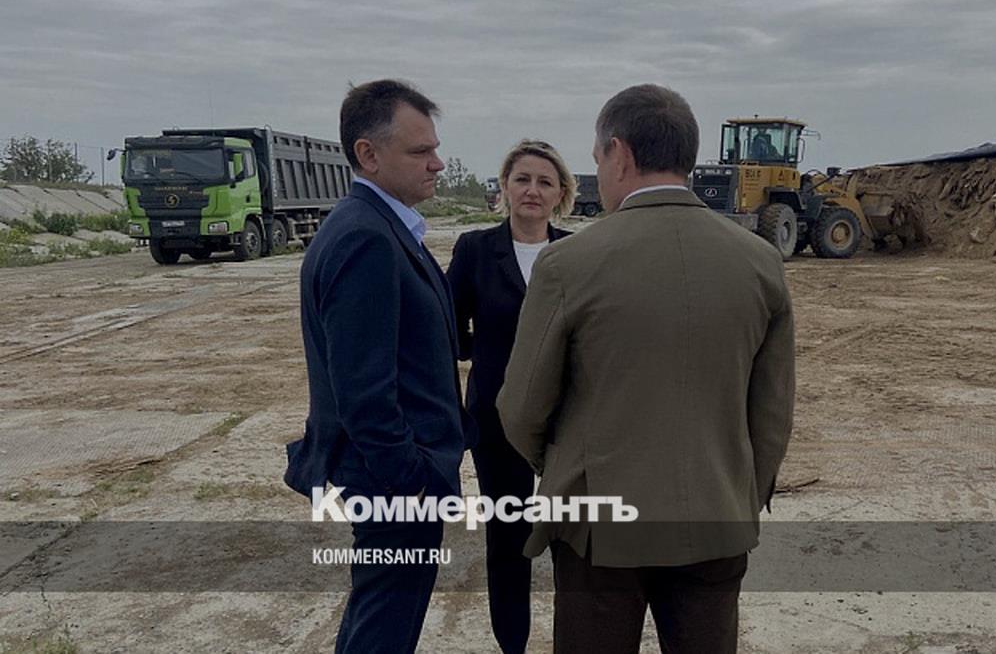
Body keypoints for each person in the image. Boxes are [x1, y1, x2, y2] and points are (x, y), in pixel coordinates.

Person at [497, 84, 795, 653]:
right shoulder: (760, 261)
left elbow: (521, 407)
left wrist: (568, 468)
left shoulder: (567, 264)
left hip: (599, 531)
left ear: (620, 153)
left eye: (597, 160)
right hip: (716, 521)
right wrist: (737, 493)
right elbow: (773, 412)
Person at [283, 78, 468, 654]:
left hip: (394, 478)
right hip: (393, 482)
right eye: (420, 151)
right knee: (385, 625)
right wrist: (412, 479)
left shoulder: (381, 226)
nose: (437, 163)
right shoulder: (365, 237)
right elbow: (363, 392)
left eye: (435, 148)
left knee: (381, 619)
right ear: (368, 154)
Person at [446, 139, 575, 653]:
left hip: (568, 419)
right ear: (504, 187)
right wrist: (489, 353)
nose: (532, 190)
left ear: (561, 194)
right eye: (522, 179)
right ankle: (513, 645)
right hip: (496, 418)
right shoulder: (475, 249)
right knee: (508, 536)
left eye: (545, 182)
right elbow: (449, 328)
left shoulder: (575, 253)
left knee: (571, 535)